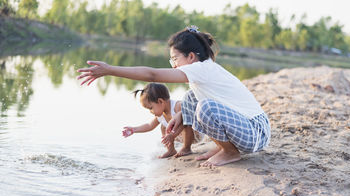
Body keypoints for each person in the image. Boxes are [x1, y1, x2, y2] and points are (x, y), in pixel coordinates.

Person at [77, 25, 271, 166]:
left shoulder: (200, 69)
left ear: (191, 57)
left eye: (175, 59)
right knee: (190, 98)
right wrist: (180, 115)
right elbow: (193, 100)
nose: (174, 65)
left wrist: (110, 70)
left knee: (206, 108)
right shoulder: (203, 71)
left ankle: (230, 152)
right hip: (251, 129)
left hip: (256, 133)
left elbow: (152, 75)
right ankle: (224, 148)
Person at [122, 82, 202, 158]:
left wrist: (172, 135)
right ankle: (171, 150)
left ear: (160, 101)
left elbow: (185, 122)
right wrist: (134, 129)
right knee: (163, 126)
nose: (150, 112)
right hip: (179, 136)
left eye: (151, 108)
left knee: (184, 121)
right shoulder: (161, 115)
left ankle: (186, 148)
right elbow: (149, 126)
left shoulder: (178, 106)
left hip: (196, 134)